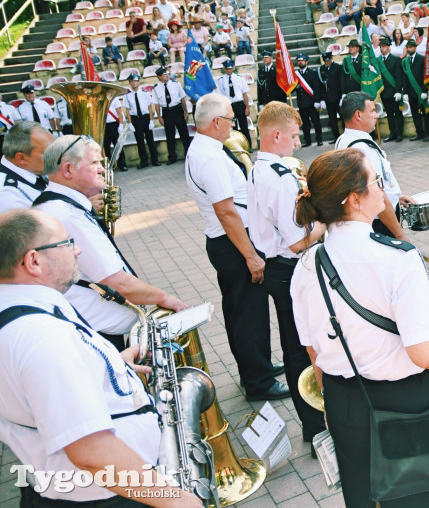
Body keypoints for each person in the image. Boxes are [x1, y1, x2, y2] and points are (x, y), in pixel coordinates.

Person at [290, 149, 429, 508]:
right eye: (377, 181)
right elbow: (425, 354)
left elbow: (313, 349)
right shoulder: (397, 258)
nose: (383, 188)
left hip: (344, 401)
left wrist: (331, 402)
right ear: (355, 199)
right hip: (405, 402)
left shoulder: (307, 263)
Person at [0, 208, 203, 508]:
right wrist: (176, 500)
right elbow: (91, 451)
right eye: (67, 243)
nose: (77, 250)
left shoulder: (20, 311)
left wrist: (110, 368)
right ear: (34, 261)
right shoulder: (42, 337)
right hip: (109, 496)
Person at [33, 134, 186, 348]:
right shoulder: (66, 213)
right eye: (94, 162)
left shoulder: (63, 206)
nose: (102, 170)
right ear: (67, 170)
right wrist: (164, 298)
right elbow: (117, 282)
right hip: (97, 335)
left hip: (94, 330)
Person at [184, 93, 286, 401]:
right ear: (216, 122)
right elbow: (226, 211)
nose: (233, 124)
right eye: (230, 118)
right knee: (250, 314)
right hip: (234, 242)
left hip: (228, 241)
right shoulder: (211, 156)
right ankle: (259, 382)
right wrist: (251, 256)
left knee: (240, 311)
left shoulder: (205, 149)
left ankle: (256, 367)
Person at [247, 102, 327, 451]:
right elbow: (296, 243)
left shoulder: (261, 167)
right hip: (288, 268)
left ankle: (316, 425)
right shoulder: (279, 179)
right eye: (293, 136)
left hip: (278, 267)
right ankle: (316, 428)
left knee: (299, 344)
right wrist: (325, 224)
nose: (297, 143)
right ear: (276, 135)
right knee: (301, 349)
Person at [335, 92, 415, 240]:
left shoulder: (344, 139)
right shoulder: (361, 148)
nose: (376, 115)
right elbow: (376, 192)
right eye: (372, 110)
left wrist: (396, 198)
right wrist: (400, 234)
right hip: (380, 221)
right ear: (358, 115)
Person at [0, 122, 52, 214]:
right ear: (21, 158)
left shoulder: (33, 168)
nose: (55, 157)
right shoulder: (8, 195)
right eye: (48, 153)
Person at [152, 66, 191, 165]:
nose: (167, 75)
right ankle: (172, 157)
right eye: (164, 74)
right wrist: (159, 116)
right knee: (170, 135)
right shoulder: (156, 88)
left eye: (167, 74)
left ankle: (189, 155)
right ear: (159, 77)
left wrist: (185, 111)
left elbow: (182, 98)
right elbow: (156, 103)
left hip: (177, 110)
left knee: (184, 134)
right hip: (167, 112)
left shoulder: (175, 84)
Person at [122, 73, 159, 169]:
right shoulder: (127, 96)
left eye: (136, 81)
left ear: (139, 82)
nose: (134, 83)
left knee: (150, 140)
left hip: (145, 118)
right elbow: (127, 110)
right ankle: (144, 161)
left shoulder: (145, 93)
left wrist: (151, 120)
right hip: (135, 119)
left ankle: (155, 160)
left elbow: (150, 108)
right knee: (140, 141)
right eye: (132, 81)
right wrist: (130, 123)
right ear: (129, 83)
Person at [401, 39, 429, 142]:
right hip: (411, 92)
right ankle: (420, 133)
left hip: (420, 91)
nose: (409, 49)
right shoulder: (405, 61)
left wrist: (424, 90)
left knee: (425, 113)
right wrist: (405, 92)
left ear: (415, 48)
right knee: (415, 114)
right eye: (408, 47)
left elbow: (425, 76)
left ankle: (428, 133)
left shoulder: (421, 59)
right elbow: (405, 78)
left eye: (411, 47)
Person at [215, 59, 253, 148]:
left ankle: (248, 146)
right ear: (224, 69)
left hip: (239, 104)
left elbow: (244, 94)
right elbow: (221, 97)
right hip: (229, 106)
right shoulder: (221, 81)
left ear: (233, 68)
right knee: (233, 128)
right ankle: (236, 147)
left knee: (244, 127)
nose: (229, 70)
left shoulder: (239, 78)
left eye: (230, 68)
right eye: (227, 68)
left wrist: (247, 107)